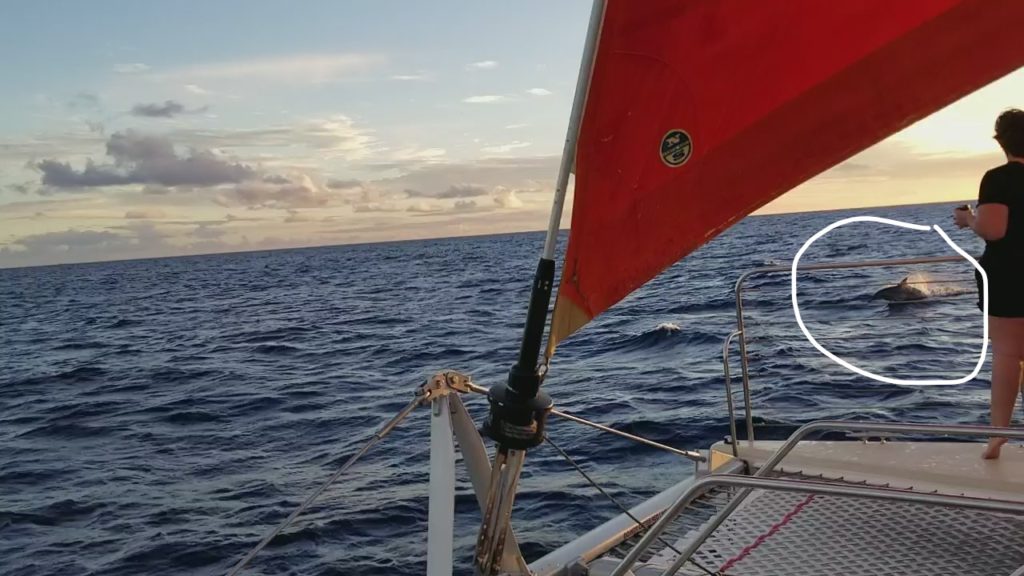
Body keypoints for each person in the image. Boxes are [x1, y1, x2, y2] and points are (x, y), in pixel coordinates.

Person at [954, 108, 1024, 459]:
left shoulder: (998, 178)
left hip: (1010, 277)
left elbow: (995, 230)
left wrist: (968, 219)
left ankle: (998, 436)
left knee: (1009, 355)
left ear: (1001, 141)